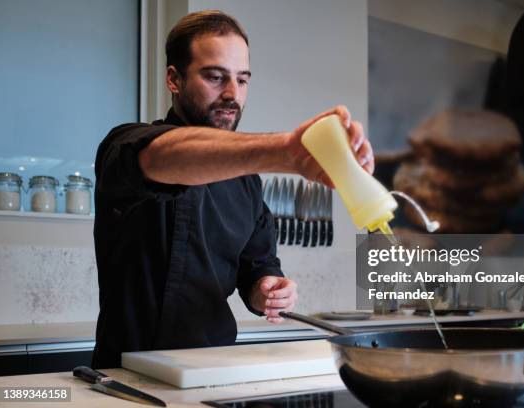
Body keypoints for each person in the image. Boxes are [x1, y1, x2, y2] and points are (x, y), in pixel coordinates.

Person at [91, 10, 375, 368]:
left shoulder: (246, 182)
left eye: (242, 80)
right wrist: (286, 150)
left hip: (211, 370)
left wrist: (268, 289)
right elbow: (165, 156)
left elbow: (256, 268)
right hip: (124, 374)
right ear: (173, 79)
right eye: (215, 77)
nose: (232, 94)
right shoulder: (125, 145)